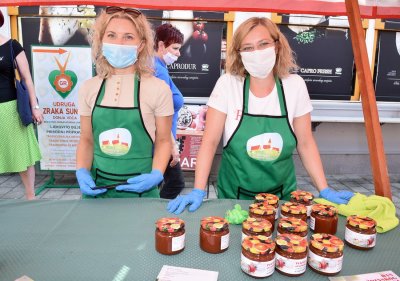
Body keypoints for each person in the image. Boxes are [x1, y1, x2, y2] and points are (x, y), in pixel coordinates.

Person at [167, 17, 354, 214]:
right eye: (247, 48)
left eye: (263, 44)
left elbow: (305, 143)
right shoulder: (228, 85)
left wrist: (323, 188)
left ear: (277, 45)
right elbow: (209, 142)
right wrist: (197, 190)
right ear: (239, 54)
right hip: (234, 199)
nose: (256, 53)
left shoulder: (294, 86)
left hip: (282, 201)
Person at [75, 7, 173, 198]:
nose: (119, 43)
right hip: (97, 191)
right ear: (101, 40)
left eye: (128, 37)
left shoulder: (158, 89)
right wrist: (81, 170)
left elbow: (163, 141)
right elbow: (87, 139)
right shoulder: (88, 88)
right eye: (111, 35)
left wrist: (157, 173)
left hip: (142, 192)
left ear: (141, 45)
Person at [0, 10, 43, 200]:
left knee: (22, 156)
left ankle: (30, 196)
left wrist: (35, 107)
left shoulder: (12, 46)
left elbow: (27, 79)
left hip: (10, 109)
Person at [154, 23, 185, 199]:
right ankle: (160, 218)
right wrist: (172, 145)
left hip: (162, 140)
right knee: (175, 183)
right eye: (175, 48)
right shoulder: (158, 70)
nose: (178, 53)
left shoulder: (159, 66)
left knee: (156, 183)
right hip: (161, 142)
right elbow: (159, 113)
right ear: (160, 45)